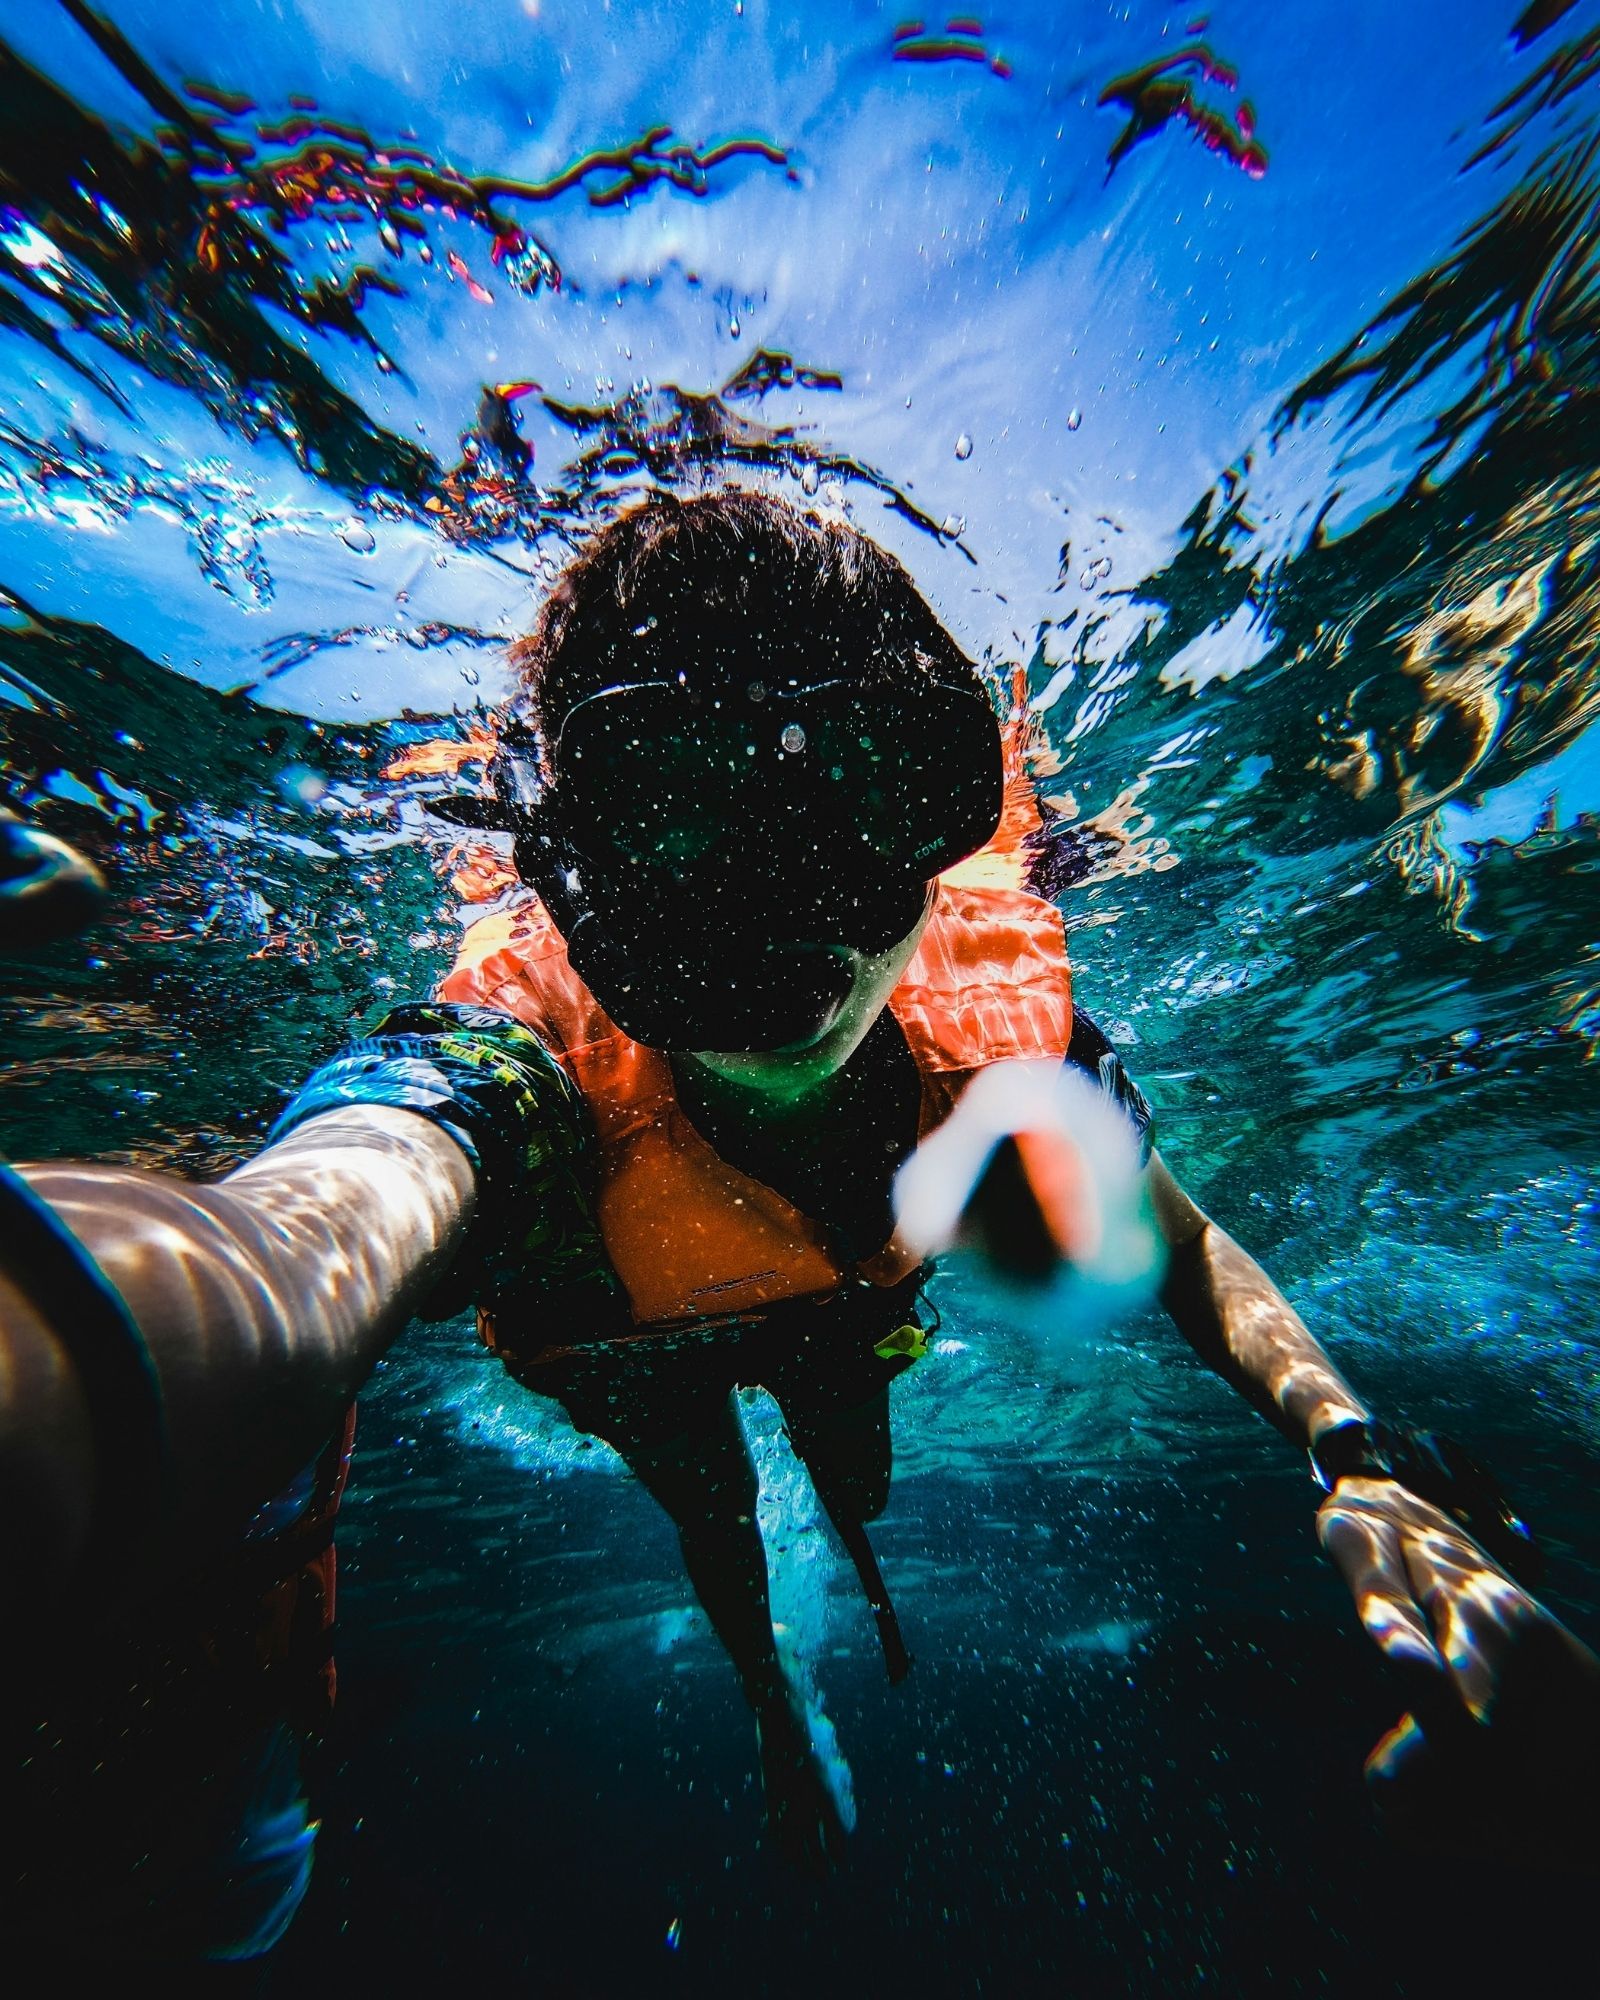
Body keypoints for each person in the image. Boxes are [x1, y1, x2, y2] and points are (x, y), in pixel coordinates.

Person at [4, 490, 1598, 1886]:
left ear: (943, 815)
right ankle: (772, 1695)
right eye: (676, 828)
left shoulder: (995, 1041)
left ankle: (812, 1628)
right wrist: (81, 1353)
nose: (792, 929)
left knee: (856, 1466)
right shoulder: (524, 1064)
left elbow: (1176, 1237)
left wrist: (1357, 1458)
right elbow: (324, 1214)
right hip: (621, 1337)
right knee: (705, 1507)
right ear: (567, 867)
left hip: (839, 1304)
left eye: (861, 798)